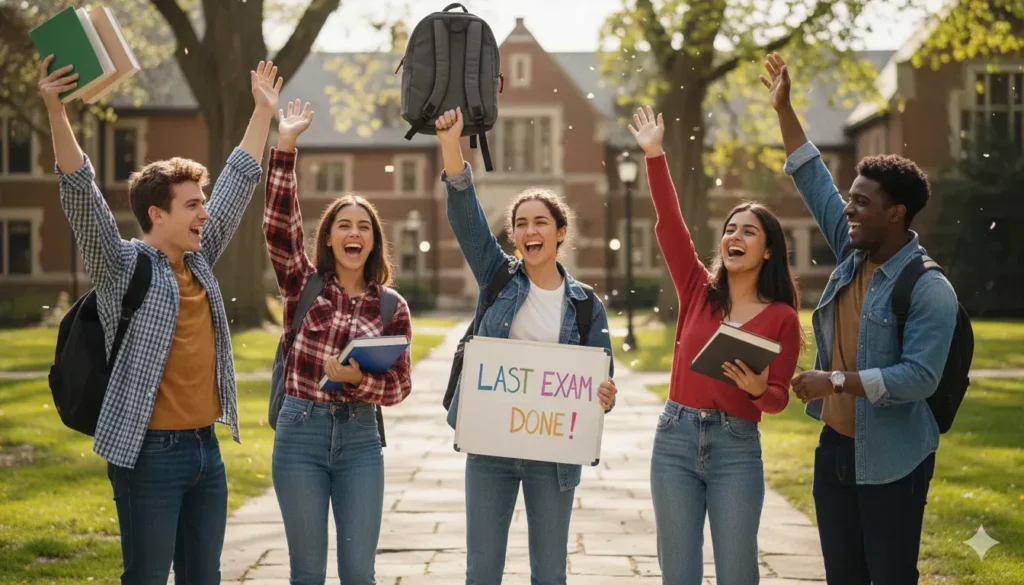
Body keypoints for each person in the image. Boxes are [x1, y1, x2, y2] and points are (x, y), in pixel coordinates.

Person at [40, 56, 279, 584]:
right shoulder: (122, 266)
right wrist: (56, 110)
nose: (205, 213)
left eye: (202, 203)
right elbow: (81, 193)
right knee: (146, 577)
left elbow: (238, 183)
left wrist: (263, 112)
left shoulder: (199, 260)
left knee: (204, 577)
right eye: (192, 205)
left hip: (206, 451)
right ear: (157, 214)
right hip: (149, 455)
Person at [763, 52, 958, 584]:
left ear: (896, 213)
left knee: (890, 576)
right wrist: (784, 109)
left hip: (894, 460)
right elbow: (813, 179)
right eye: (850, 200)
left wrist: (836, 381)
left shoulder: (929, 288)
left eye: (861, 203)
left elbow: (920, 377)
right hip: (835, 451)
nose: (848, 209)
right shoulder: (854, 251)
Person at [434, 107, 618, 585]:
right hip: (490, 449)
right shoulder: (497, 277)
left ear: (561, 232)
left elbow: (602, 380)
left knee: (550, 573)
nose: (530, 231)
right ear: (513, 236)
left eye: (540, 222)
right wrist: (451, 146)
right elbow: (468, 221)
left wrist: (605, 395)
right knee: (482, 571)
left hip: (553, 455)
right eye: (521, 223)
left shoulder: (586, 306)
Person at [629, 106, 804, 585]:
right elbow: (670, 225)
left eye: (748, 231)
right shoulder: (697, 290)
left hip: (736, 447)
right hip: (675, 438)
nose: (734, 236)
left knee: (737, 572)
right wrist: (655, 155)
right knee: (678, 572)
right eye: (730, 229)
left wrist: (757, 389)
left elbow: (778, 397)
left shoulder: (782, 319)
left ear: (768, 250)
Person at [263, 99, 413, 585]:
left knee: (358, 573)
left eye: (364, 226)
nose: (354, 232)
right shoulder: (301, 285)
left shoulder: (391, 307)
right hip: (300, 432)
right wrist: (286, 146)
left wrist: (357, 381)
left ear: (373, 242)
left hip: (360, 440)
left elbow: (400, 385)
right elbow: (279, 227)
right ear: (328, 238)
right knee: (307, 573)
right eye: (343, 225)